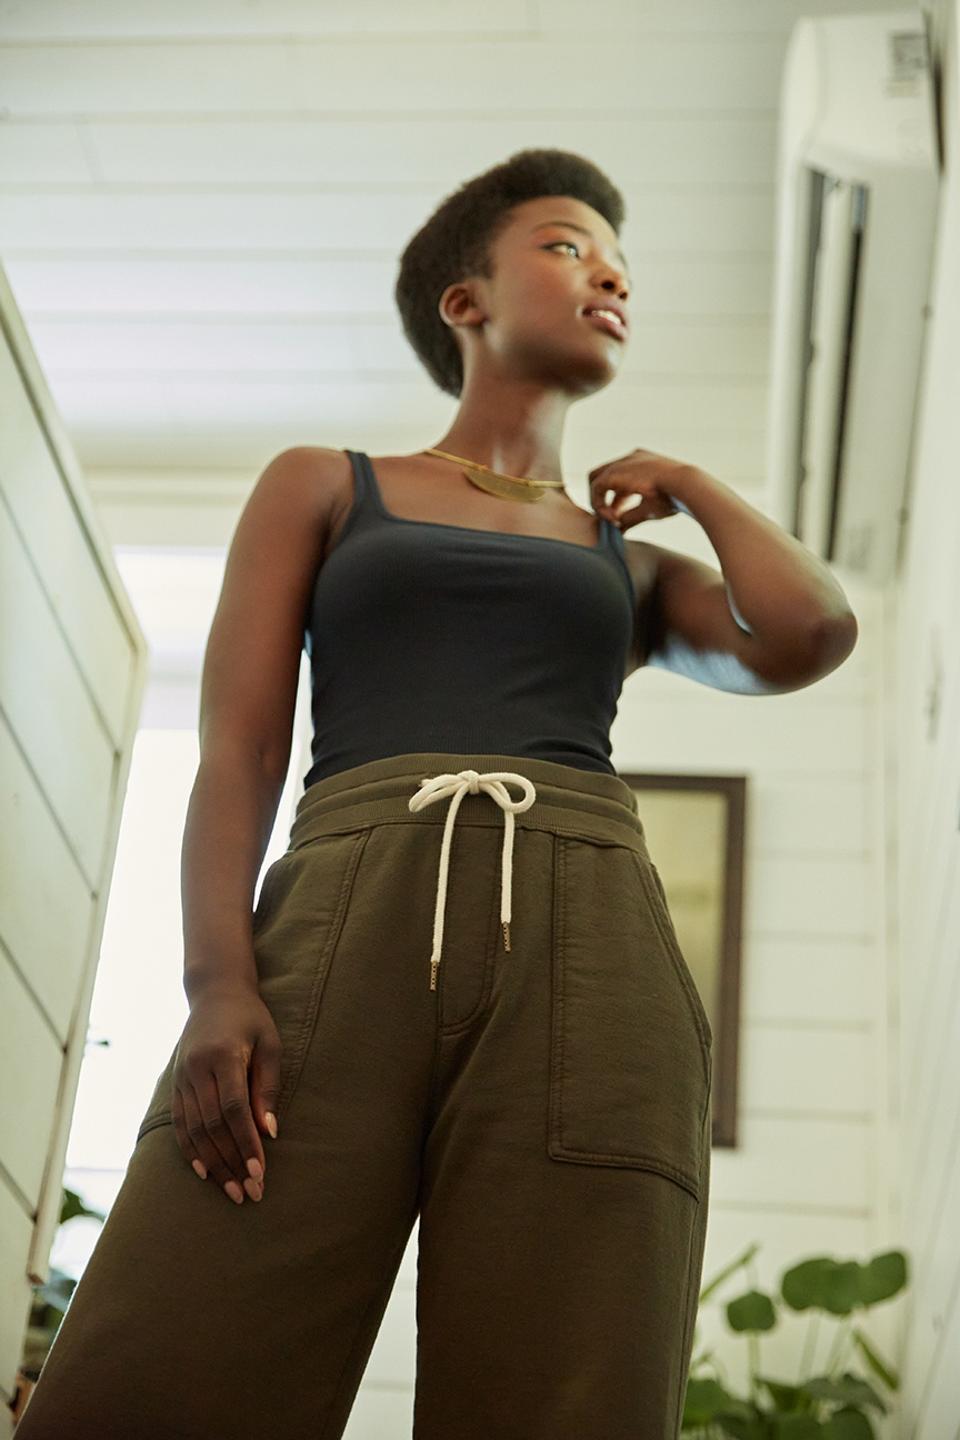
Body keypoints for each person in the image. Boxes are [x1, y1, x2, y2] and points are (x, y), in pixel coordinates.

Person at [16, 147, 856, 1440]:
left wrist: (690, 485)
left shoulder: (625, 562)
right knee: (176, 1339)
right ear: (466, 302)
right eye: (569, 246)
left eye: (621, 263)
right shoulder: (323, 484)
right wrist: (217, 982)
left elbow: (811, 631)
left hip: (590, 948)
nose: (611, 276)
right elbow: (239, 750)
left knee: (569, 1378)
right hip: (343, 910)